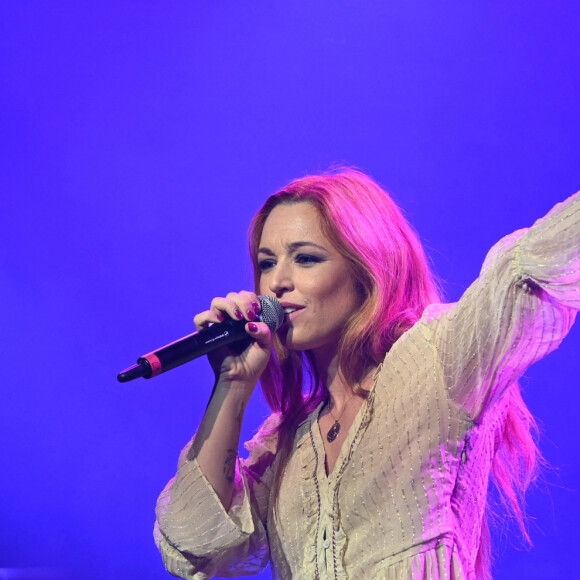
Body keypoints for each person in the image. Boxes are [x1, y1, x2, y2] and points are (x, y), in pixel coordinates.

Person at [153, 170, 579, 580]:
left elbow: (529, 271)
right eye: (267, 263)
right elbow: (198, 546)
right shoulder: (286, 441)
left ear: (367, 267)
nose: (277, 282)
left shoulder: (437, 359)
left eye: (305, 259)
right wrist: (232, 384)